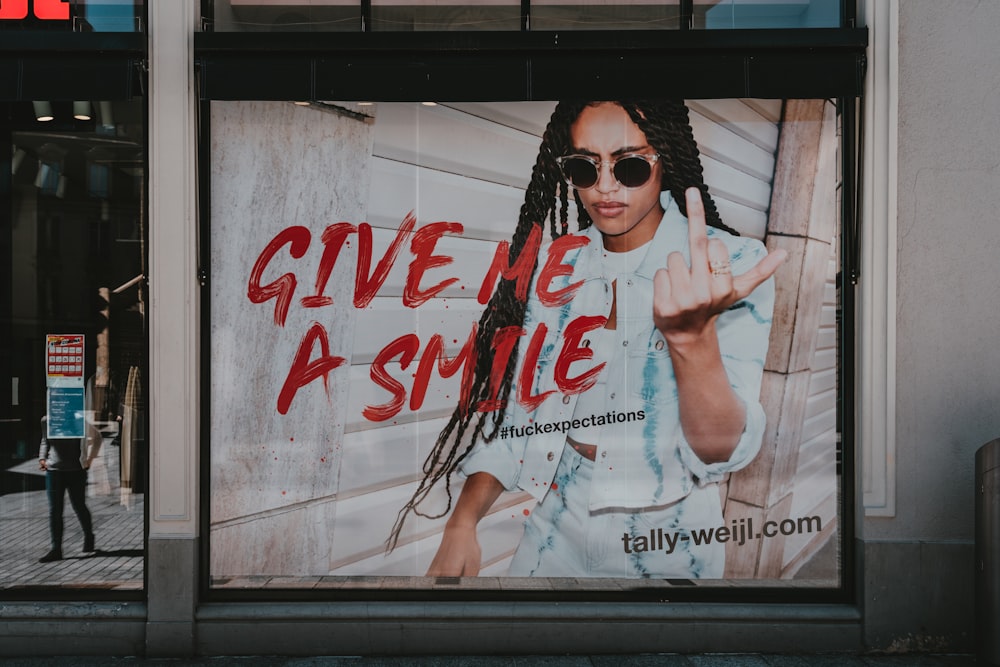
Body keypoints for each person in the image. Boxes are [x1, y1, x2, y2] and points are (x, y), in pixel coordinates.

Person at [390, 100, 786, 578]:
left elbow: (722, 450)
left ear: (667, 161)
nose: (604, 187)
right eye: (583, 166)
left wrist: (690, 341)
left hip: (670, 541)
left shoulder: (727, 265)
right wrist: (463, 522)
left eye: (630, 164)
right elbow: (520, 420)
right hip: (557, 525)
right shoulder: (559, 266)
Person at [38, 416, 99, 562]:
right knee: (55, 510)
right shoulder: (47, 420)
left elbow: (96, 437)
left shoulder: (78, 419)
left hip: (76, 471)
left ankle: (89, 535)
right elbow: (45, 440)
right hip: (54, 471)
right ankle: (56, 549)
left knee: (79, 505)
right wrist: (42, 458)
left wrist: (89, 459)